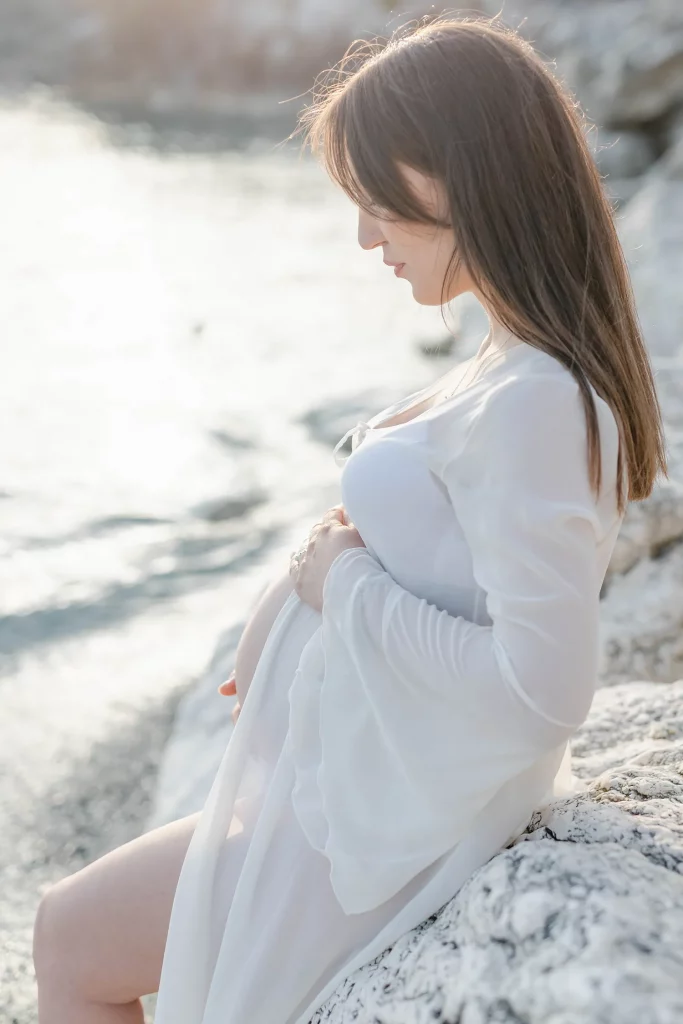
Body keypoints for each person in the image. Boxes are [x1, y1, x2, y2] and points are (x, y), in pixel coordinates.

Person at [32, 13, 667, 1024]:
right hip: (355, 794)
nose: (365, 234)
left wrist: (343, 585)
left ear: (462, 175)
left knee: (69, 937)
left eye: (378, 198)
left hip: (382, 829)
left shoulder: (535, 396)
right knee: (71, 929)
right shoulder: (509, 367)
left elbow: (541, 692)